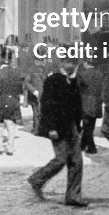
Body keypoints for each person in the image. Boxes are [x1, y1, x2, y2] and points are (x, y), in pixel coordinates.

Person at [27, 56, 88, 207]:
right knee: (61, 159)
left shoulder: (73, 80)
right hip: (58, 127)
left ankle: (73, 196)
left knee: (76, 162)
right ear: (62, 63)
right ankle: (36, 179)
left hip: (71, 127)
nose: (72, 66)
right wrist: (51, 128)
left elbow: (78, 101)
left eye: (74, 64)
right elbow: (47, 105)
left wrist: (78, 126)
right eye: (69, 63)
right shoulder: (53, 80)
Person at [0, 48, 24, 156]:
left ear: (1, 58)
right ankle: (10, 148)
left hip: (1, 100)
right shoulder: (16, 72)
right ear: (10, 60)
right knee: (11, 125)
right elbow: (20, 88)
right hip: (13, 100)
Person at [75, 56, 104, 154]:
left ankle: (92, 148)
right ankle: (82, 145)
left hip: (86, 103)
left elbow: (77, 89)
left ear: (86, 63)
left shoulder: (81, 74)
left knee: (87, 127)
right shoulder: (100, 74)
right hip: (97, 103)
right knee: (90, 125)